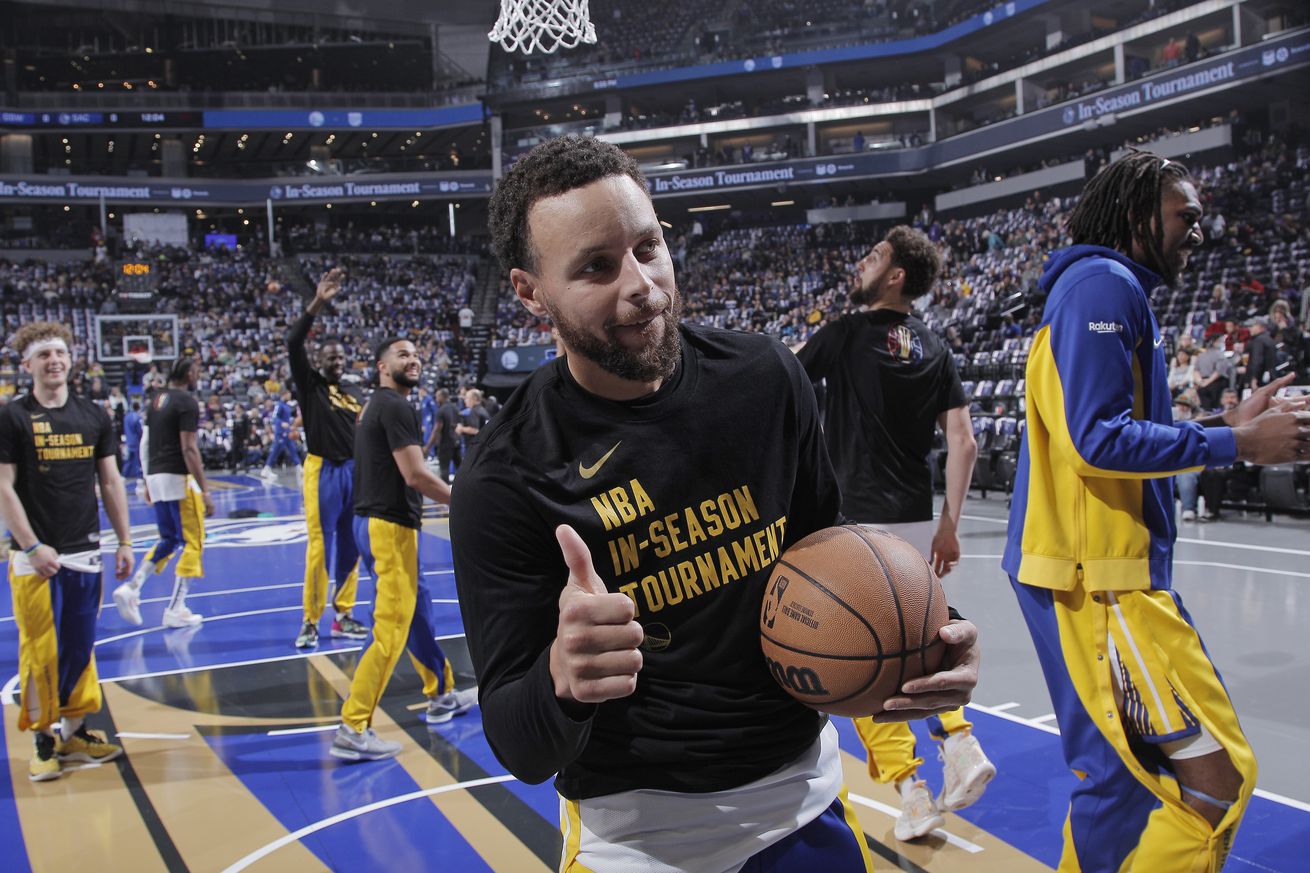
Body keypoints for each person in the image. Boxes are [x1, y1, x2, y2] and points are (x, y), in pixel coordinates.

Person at [451, 135, 981, 872]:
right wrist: (561, 681)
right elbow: (519, 741)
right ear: (529, 291)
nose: (642, 284)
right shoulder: (503, 477)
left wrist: (931, 627)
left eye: (649, 246)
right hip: (634, 842)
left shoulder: (766, 378)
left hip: (804, 805)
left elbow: (830, 551)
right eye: (597, 267)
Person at [1003, 150, 1310, 873]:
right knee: (1217, 781)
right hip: (1098, 580)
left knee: (1117, 780)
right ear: (1140, 213)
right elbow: (1096, 438)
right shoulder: (1103, 287)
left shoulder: (1095, 287)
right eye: (1187, 216)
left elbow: (1102, 426)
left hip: (1094, 570)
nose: (1198, 233)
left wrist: (1232, 416)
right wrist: (1239, 440)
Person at [797, 225, 995, 842]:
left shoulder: (844, 334)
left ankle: (911, 790)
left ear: (896, 276)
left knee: (858, 660)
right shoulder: (936, 346)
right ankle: (959, 742)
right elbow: (962, 442)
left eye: (874, 256)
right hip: (913, 517)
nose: (863, 263)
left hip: (852, 519)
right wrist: (950, 525)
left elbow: (786, 390)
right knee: (919, 641)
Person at [0, 322, 135, 781]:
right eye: (43, 356)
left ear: (71, 360)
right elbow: (3, 487)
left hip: (85, 551)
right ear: (27, 365)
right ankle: (42, 738)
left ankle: (75, 730)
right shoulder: (12, 417)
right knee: (39, 650)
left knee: (79, 646)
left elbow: (111, 481)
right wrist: (32, 545)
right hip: (34, 557)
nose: (53, 361)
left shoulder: (94, 416)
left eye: (59, 353)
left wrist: (126, 540)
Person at [331, 337, 475, 761]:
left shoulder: (375, 405)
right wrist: (465, 499)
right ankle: (353, 726)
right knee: (391, 628)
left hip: (380, 524)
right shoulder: (394, 405)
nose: (413, 359)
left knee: (418, 614)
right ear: (381, 365)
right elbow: (415, 475)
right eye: (402, 354)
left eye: (415, 354)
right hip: (387, 528)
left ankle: (442, 693)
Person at [288, 267, 367, 650]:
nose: (336, 361)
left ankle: (343, 614)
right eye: (329, 357)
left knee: (351, 544)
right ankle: (310, 620)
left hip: (356, 470)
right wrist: (317, 302)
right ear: (318, 361)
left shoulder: (354, 389)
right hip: (322, 470)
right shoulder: (310, 385)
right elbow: (292, 342)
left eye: (340, 357)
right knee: (320, 547)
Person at [113, 356, 214, 629]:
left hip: (156, 476)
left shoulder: (156, 400)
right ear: (190, 373)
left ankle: (132, 587)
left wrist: (147, 480)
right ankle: (176, 608)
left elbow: (146, 443)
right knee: (194, 543)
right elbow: (189, 448)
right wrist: (204, 490)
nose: (198, 376)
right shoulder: (186, 402)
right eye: (197, 371)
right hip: (178, 478)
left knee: (168, 540)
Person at [260, 391, 301, 481]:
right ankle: (266, 468)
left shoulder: (287, 406)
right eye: (289, 394)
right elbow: (274, 417)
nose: (290, 396)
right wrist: (281, 423)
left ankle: (299, 467)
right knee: (275, 451)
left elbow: (287, 419)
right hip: (281, 432)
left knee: (292, 449)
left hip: (287, 432)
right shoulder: (279, 405)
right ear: (284, 394)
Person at [432, 387, 460, 483]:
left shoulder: (441, 411)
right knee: (460, 469)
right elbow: (459, 426)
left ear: (441, 397)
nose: (436, 399)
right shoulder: (456, 408)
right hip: (456, 442)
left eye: (437, 397)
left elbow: (436, 430)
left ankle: (446, 495)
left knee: (444, 469)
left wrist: (428, 446)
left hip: (445, 443)